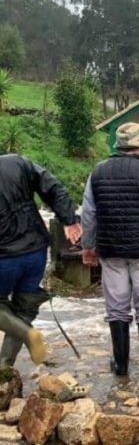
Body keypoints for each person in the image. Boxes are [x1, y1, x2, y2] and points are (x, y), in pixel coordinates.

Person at [81, 122, 139, 377]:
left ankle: (121, 364)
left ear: (118, 146)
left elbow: (89, 214)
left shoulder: (97, 172)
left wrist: (88, 247)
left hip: (110, 251)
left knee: (116, 307)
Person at [0, 154, 81, 367]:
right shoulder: (17, 162)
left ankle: (27, 334)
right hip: (36, 250)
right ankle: (4, 368)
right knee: (24, 308)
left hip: (4, 257)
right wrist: (69, 220)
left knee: (8, 310)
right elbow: (53, 187)